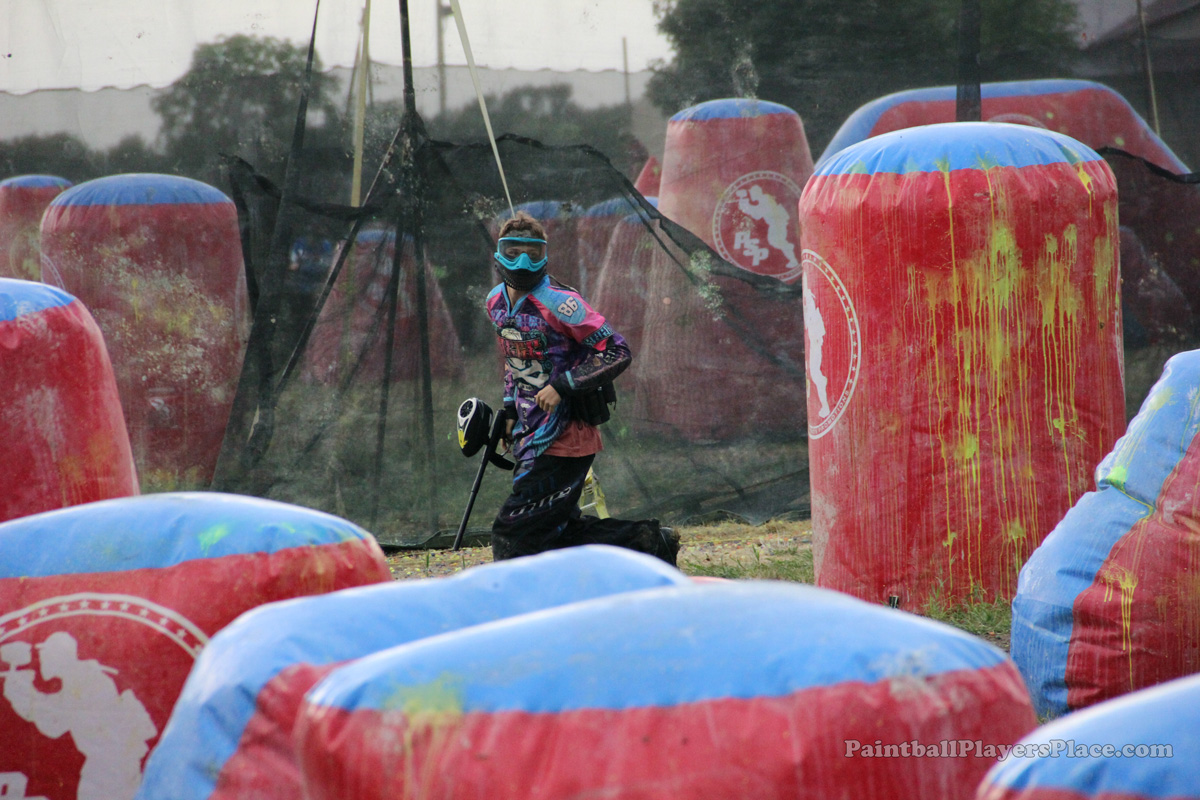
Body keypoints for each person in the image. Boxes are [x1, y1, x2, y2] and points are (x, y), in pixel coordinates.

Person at [485, 210, 679, 564]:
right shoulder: (495, 302)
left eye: (533, 253)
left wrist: (563, 385)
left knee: (513, 533)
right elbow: (513, 361)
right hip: (529, 433)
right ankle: (651, 543)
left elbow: (617, 351)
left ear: (545, 255)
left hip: (566, 437)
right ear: (499, 253)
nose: (523, 262)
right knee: (557, 532)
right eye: (514, 252)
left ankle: (513, 595)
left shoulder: (561, 303)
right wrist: (510, 408)